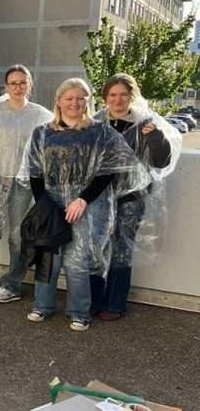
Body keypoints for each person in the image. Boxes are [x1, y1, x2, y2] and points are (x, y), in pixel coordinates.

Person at [25, 78, 147, 332]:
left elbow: (109, 170)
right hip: (52, 202)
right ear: (59, 101)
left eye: (81, 98)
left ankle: (79, 312)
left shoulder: (101, 132)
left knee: (78, 260)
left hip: (89, 205)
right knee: (49, 257)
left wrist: (83, 199)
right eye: (69, 98)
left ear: (88, 102)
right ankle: (42, 305)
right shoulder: (42, 132)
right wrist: (46, 206)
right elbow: (35, 173)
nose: (75, 103)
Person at [90, 73, 180, 321]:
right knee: (95, 247)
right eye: (113, 95)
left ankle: (115, 304)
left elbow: (162, 161)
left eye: (123, 95)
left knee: (121, 250)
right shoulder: (96, 122)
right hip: (99, 195)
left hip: (132, 196)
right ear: (105, 97)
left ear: (132, 96)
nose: (118, 100)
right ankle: (93, 300)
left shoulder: (145, 123)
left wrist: (155, 137)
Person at [0, 64, 52, 302]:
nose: (18, 87)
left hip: (23, 182)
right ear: (5, 86)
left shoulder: (41, 116)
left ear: (30, 85)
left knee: (17, 236)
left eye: (22, 82)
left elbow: (50, 150)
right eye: (13, 83)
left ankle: (12, 284)